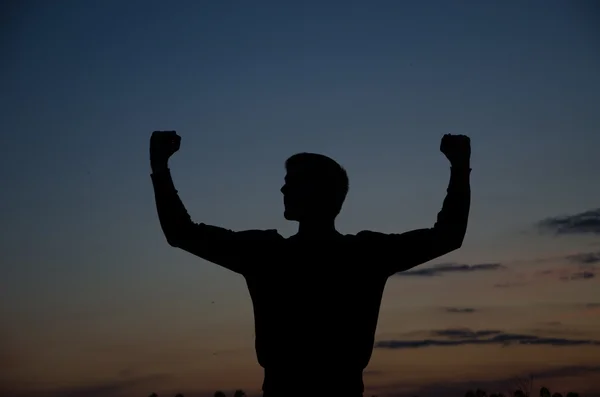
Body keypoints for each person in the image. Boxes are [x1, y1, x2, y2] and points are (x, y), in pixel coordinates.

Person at [149, 131, 471, 397]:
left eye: (293, 181)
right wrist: (459, 168)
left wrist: (161, 168)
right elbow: (448, 236)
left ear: (320, 192)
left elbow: (182, 233)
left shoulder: (269, 254)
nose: (283, 188)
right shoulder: (363, 254)